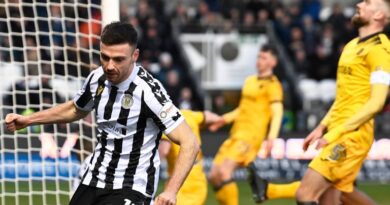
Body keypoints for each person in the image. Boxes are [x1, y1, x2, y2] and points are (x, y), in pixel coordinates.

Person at [5, 22, 199, 205]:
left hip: (131, 185)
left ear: (135, 55)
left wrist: (171, 191)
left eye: (118, 59)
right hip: (95, 178)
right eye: (105, 57)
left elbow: (190, 142)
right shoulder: (97, 77)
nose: (109, 66)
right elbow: (75, 109)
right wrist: (28, 120)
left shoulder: (148, 91)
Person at [295, 0, 390, 204]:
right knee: (331, 199)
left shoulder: (381, 50)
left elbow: (377, 102)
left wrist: (335, 133)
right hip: (337, 130)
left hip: (353, 136)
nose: (359, 4)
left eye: (367, 2)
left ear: (379, 16)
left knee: (305, 195)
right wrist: (321, 127)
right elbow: (342, 98)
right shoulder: (350, 46)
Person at [208, 44, 284, 205]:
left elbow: (277, 112)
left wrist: (272, 138)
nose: (259, 61)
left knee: (224, 172)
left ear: (273, 62)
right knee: (214, 176)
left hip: (251, 137)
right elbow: (242, 109)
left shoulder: (273, 85)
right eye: (258, 57)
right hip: (236, 134)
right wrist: (224, 119)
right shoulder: (250, 81)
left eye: (264, 58)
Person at [159, 109, 222, 205]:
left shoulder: (167, 121)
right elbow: (211, 117)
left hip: (178, 186)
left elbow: (164, 151)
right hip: (199, 185)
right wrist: (217, 123)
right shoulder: (189, 115)